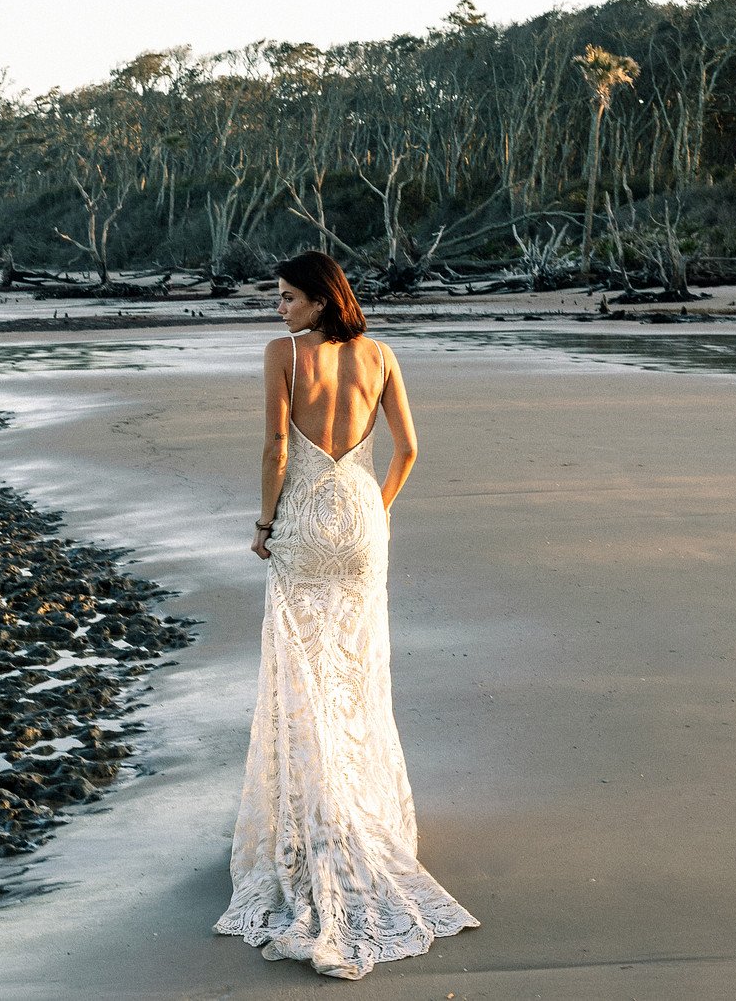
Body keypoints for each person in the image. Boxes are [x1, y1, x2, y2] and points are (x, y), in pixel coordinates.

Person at [214, 251, 479, 980]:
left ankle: (311, 825)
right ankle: (359, 814)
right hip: (362, 524)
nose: (279, 309)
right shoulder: (382, 355)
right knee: (354, 672)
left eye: (289, 297)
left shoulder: (284, 357)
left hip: (302, 523)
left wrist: (265, 525)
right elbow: (410, 449)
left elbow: (275, 446)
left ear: (323, 302)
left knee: (300, 671)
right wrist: (375, 510)